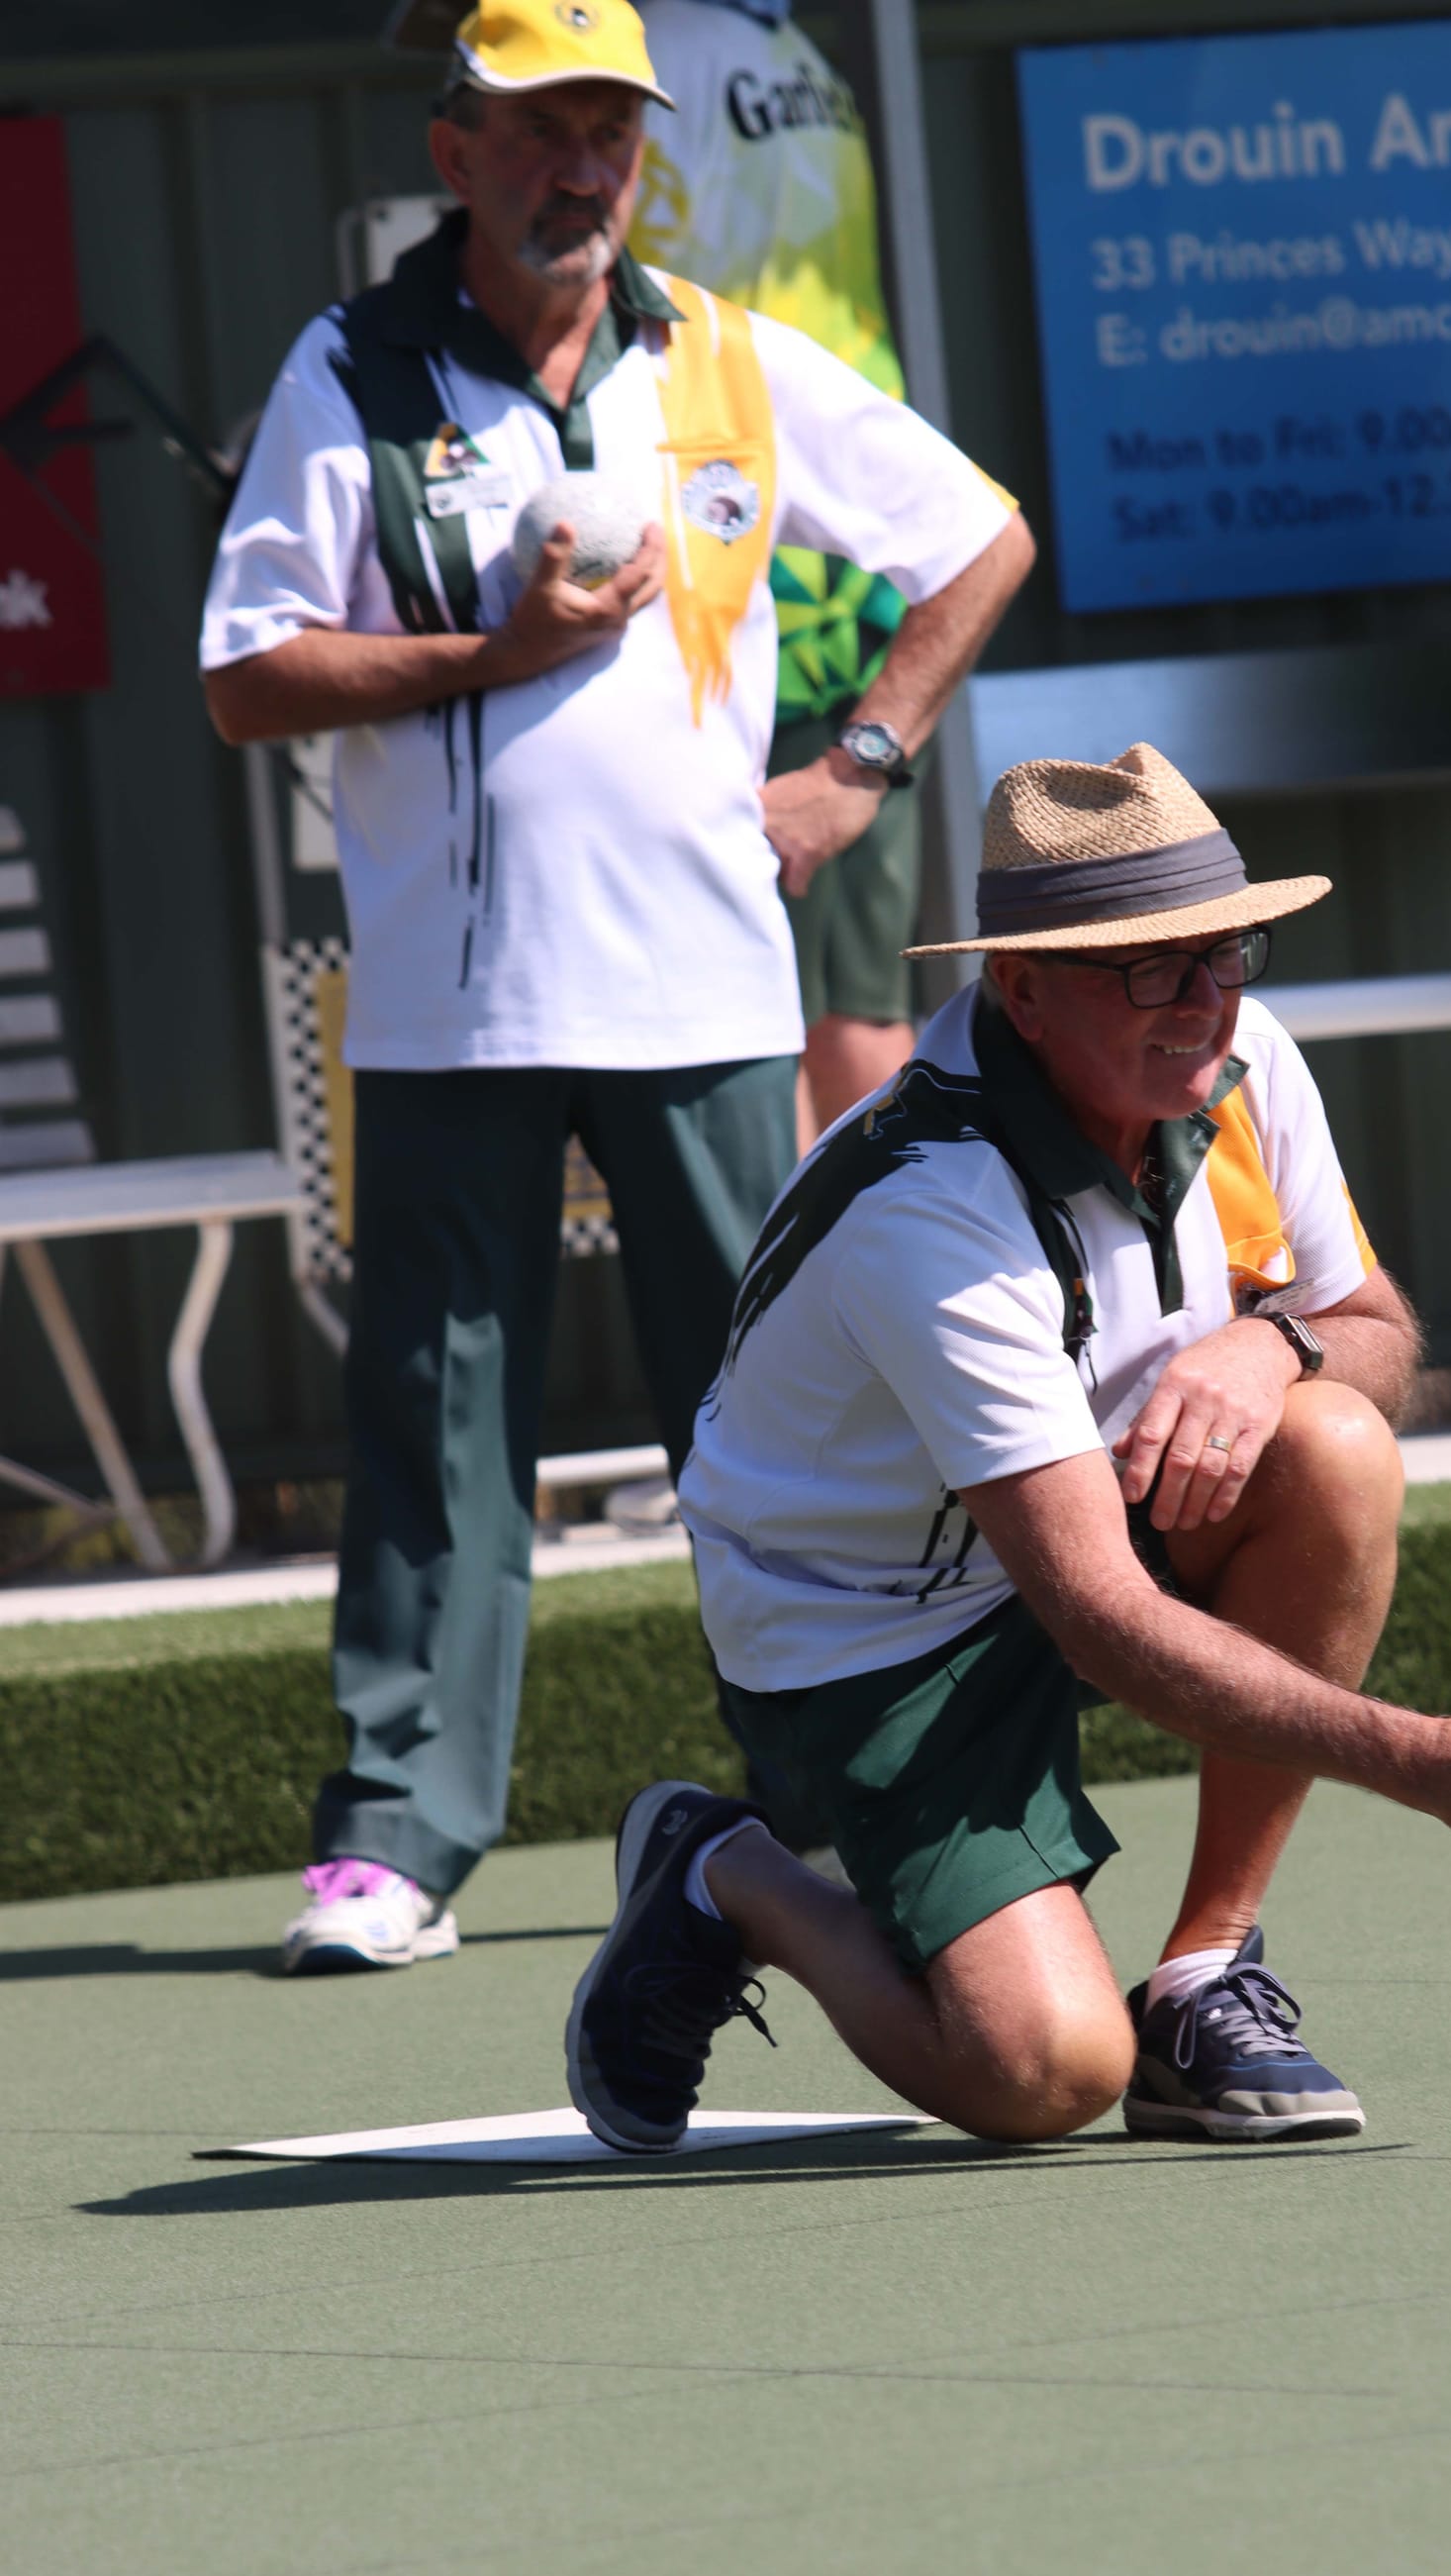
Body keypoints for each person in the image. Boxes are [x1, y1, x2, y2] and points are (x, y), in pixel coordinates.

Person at [199, 0, 1032, 1974]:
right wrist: (481, 661)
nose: (583, 168)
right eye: (541, 130)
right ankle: (399, 1836)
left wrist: (860, 767)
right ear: (456, 153)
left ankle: (835, 1814)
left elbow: (979, 539)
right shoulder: (354, 367)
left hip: (709, 996)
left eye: (612, 135)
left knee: (772, 1434)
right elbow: (246, 674)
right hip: (442, 1004)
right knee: (432, 1427)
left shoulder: (726, 358)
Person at [560, 745, 1451, 2152]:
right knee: (1046, 2076)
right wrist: (1427, 1761)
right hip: (864, 1636)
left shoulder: (1242, 1061)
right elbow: (1104, 1621)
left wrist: (1273, 1347)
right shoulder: (927, 1209)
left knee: (1333, 1448)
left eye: (1224, 953)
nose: (1205, 1002)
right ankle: (728, 1870)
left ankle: (1204, 1975)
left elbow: (1372, 1324)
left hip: (1077, 1528)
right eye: (1148, 967)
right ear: (1021, 989)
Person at [628, 0, 931, 1147]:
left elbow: (618, 295)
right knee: (858, 1006)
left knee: (752, 1024)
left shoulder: (657, 53)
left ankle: (820, 1313)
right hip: (854, 578)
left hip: (747, 577)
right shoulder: (790, 47)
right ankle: (878, 1296)